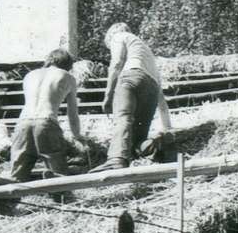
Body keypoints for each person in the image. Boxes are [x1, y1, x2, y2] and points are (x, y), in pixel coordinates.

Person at [99, 23, 173, 168]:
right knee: (135, 140)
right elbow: (161, 98)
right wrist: (168, 129)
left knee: (123, 118)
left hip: (131, 77)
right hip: (152, 89)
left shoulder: (118, 36)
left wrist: (108, 96)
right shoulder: (146, 51)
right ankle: (152, 148)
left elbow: (117, 63)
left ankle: (116, 159)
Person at [9, 48, 85, 181]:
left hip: (23, 123)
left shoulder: (30, 75)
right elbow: (72, 113)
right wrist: (78, 136)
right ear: (68, 64)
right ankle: (52, 178)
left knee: (17, 176)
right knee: (59, 173)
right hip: (46, 122)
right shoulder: (68, 77)